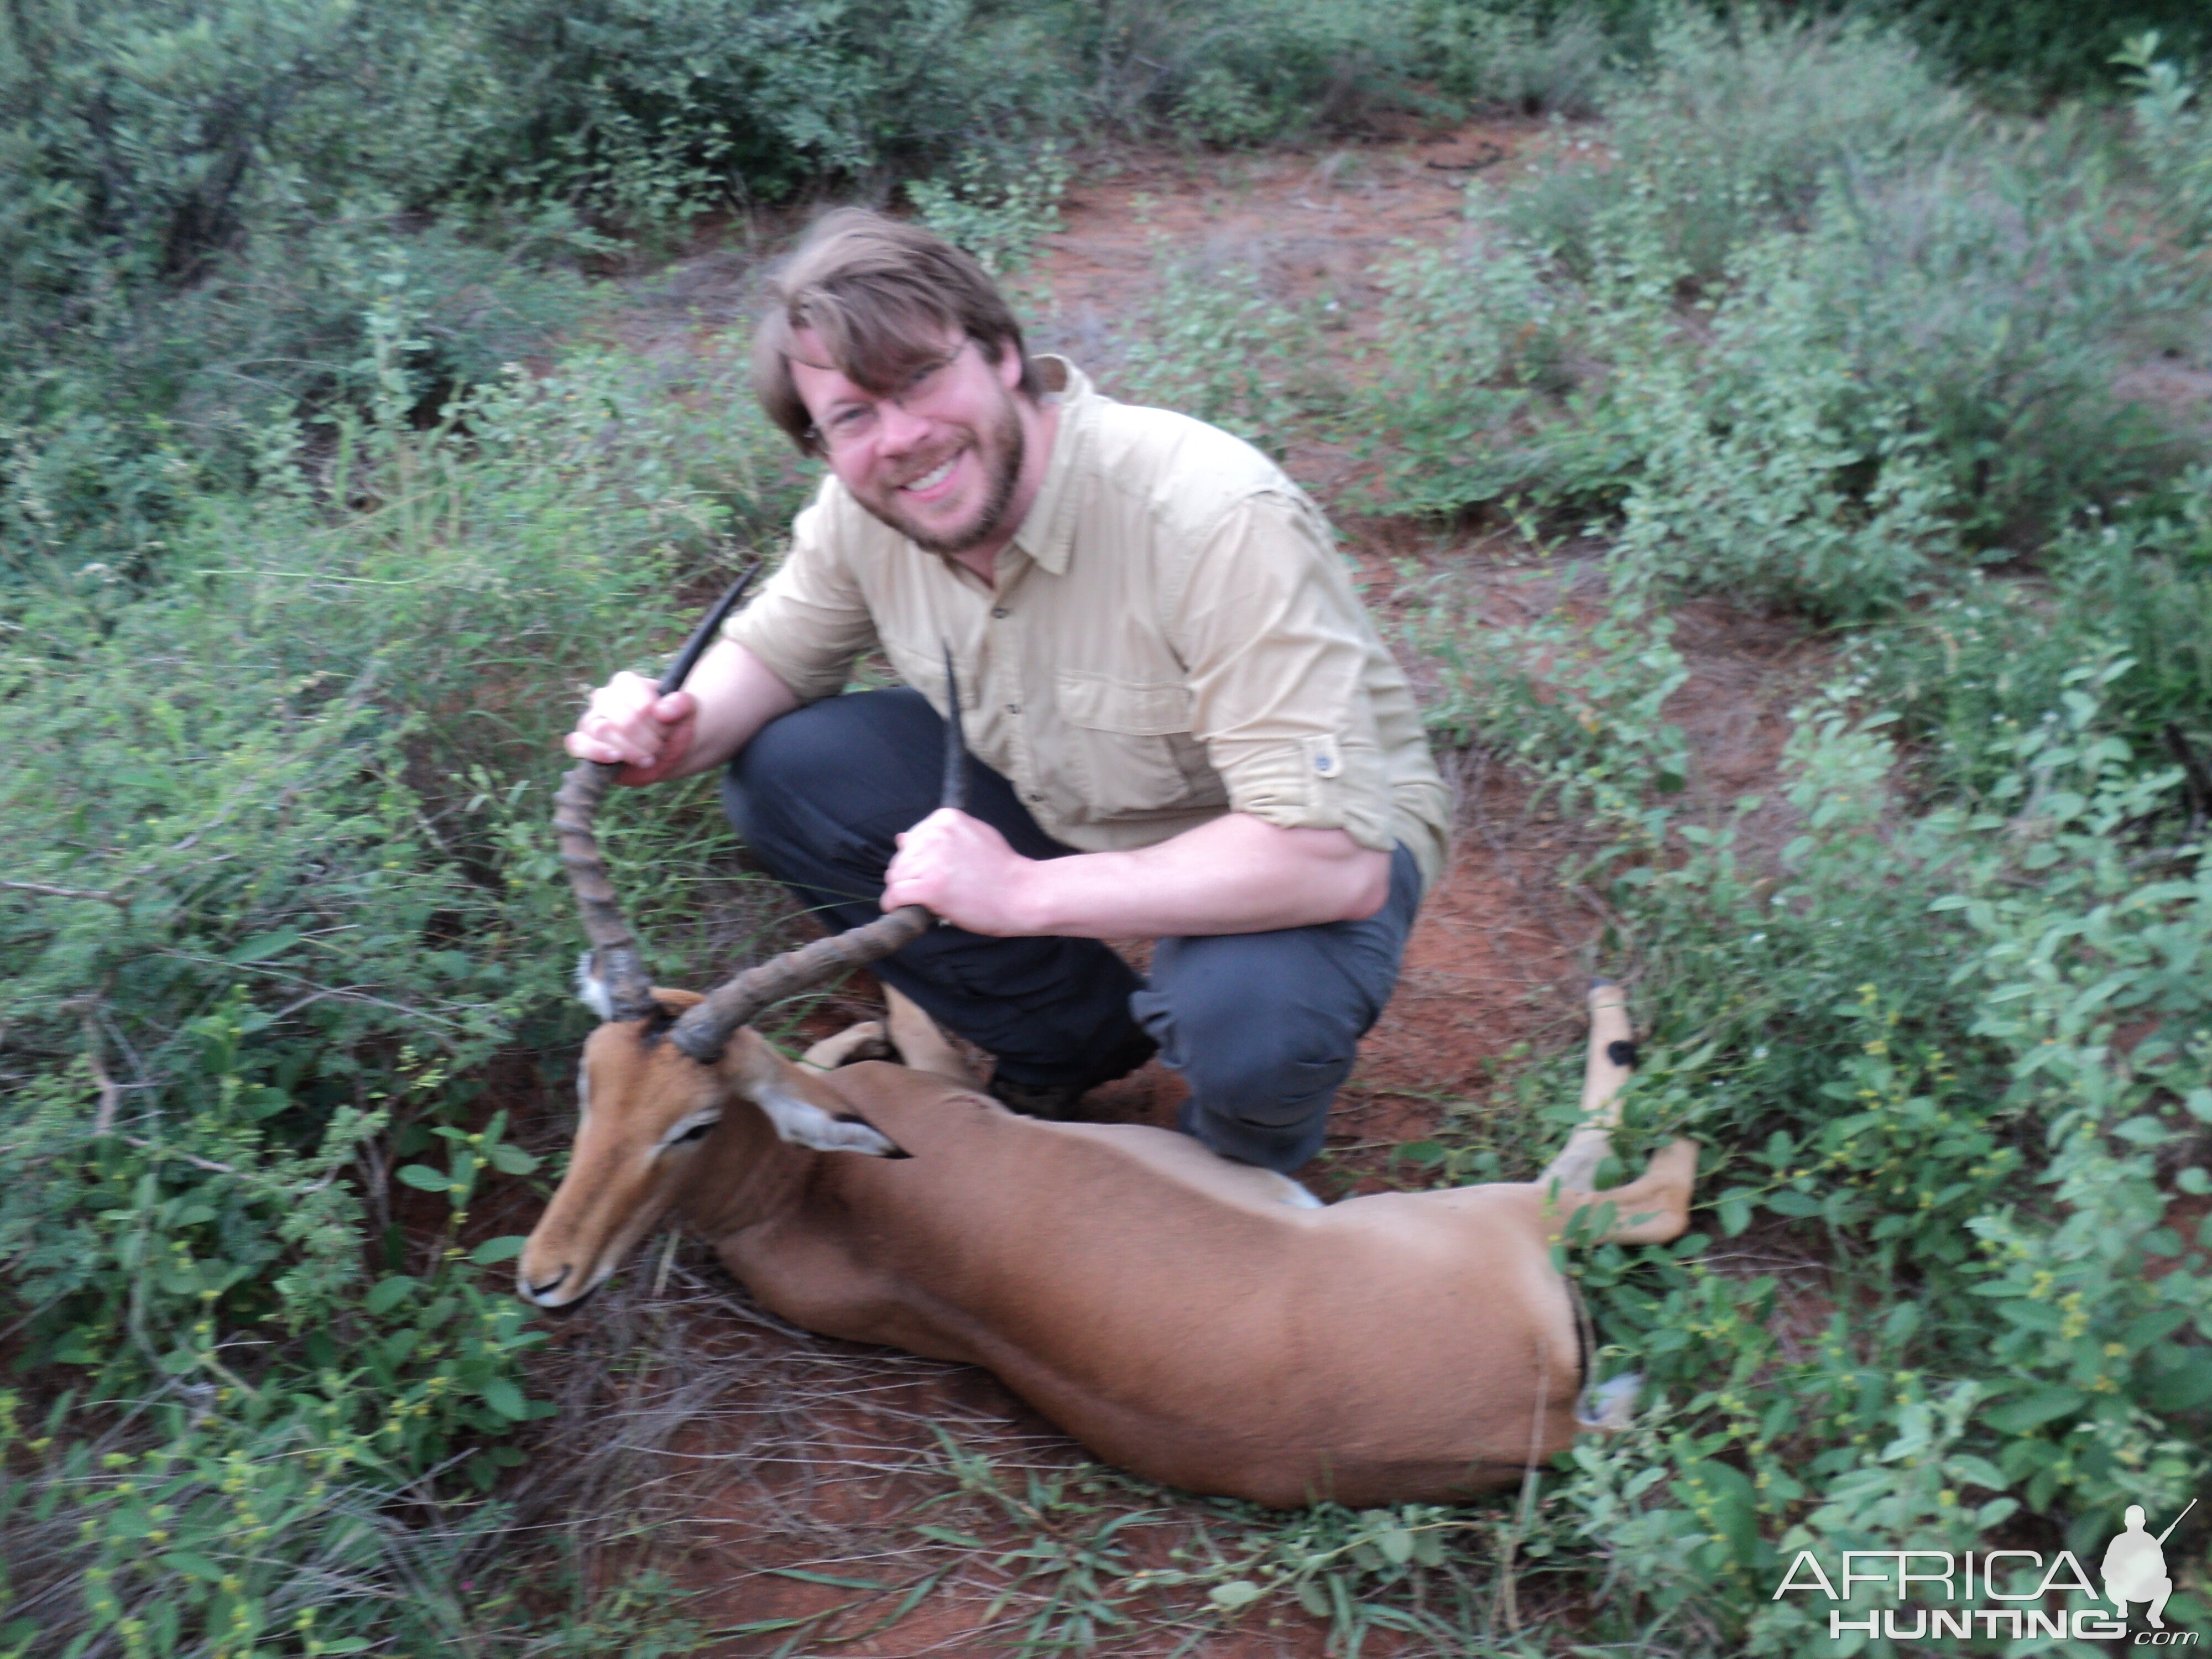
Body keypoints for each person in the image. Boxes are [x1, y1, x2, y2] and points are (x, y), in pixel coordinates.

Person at [566, 208, 1449, 1173]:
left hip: (1293, 834)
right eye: (853, 416)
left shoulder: (1213, 516)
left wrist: (1023, 891)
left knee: (1249, 1022)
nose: (901, 437)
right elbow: (771, 660)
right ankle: (1070, 1043)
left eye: (921, 377)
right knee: (786, 770)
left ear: (1004, 356)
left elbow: (1329, 862)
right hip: (1071, 795)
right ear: (821, 443)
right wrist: (668, 726)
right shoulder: (864, 513)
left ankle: (1245, 1170)